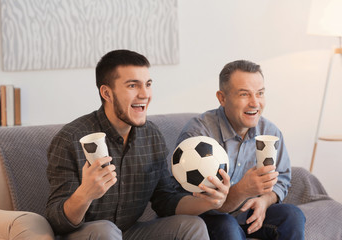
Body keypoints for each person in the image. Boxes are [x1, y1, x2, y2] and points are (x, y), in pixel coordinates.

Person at [46, 49, 230, 239]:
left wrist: (210, 202)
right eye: (133, 85)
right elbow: (57, 221)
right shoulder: (71, 138)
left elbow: (165, 201)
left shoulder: (152, 136)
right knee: (106, 231)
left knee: (192, 226)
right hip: (86, 234)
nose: (144, 94)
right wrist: (84, 194)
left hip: (131, 233)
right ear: (107, 93)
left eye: (148, 84)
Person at [176, 60, 306, 240]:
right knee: (226, 225)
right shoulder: (199, 135)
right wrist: (242, 190)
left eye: (260, 94)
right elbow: (196, 200)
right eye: (244, 94)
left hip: (249, 213)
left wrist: (264, 200)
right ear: (222, 98)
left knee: (292, 215)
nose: (255, 103)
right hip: (210, 215)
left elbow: (282, 178)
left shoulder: (270, 132)